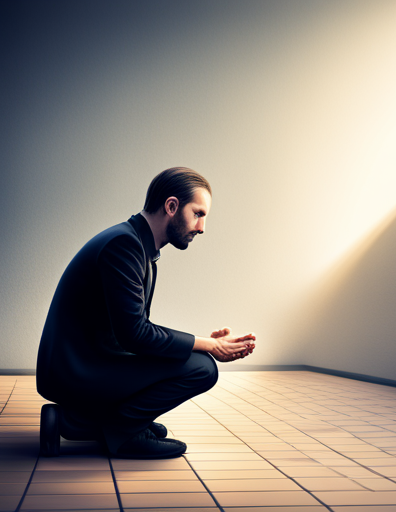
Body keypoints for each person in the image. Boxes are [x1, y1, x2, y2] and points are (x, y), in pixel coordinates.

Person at [36, 167, 255, 459]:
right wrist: (207, 345)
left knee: (193, 358)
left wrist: (201, 344)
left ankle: (83, 422)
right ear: (172, 206)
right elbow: (135, 335)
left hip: (89, 361)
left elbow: (133, 331)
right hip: (73, 371)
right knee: (202, 367)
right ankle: (121, 429)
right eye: (198, 214)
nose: (201, 227)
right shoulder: (124, 245)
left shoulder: (136, 244)